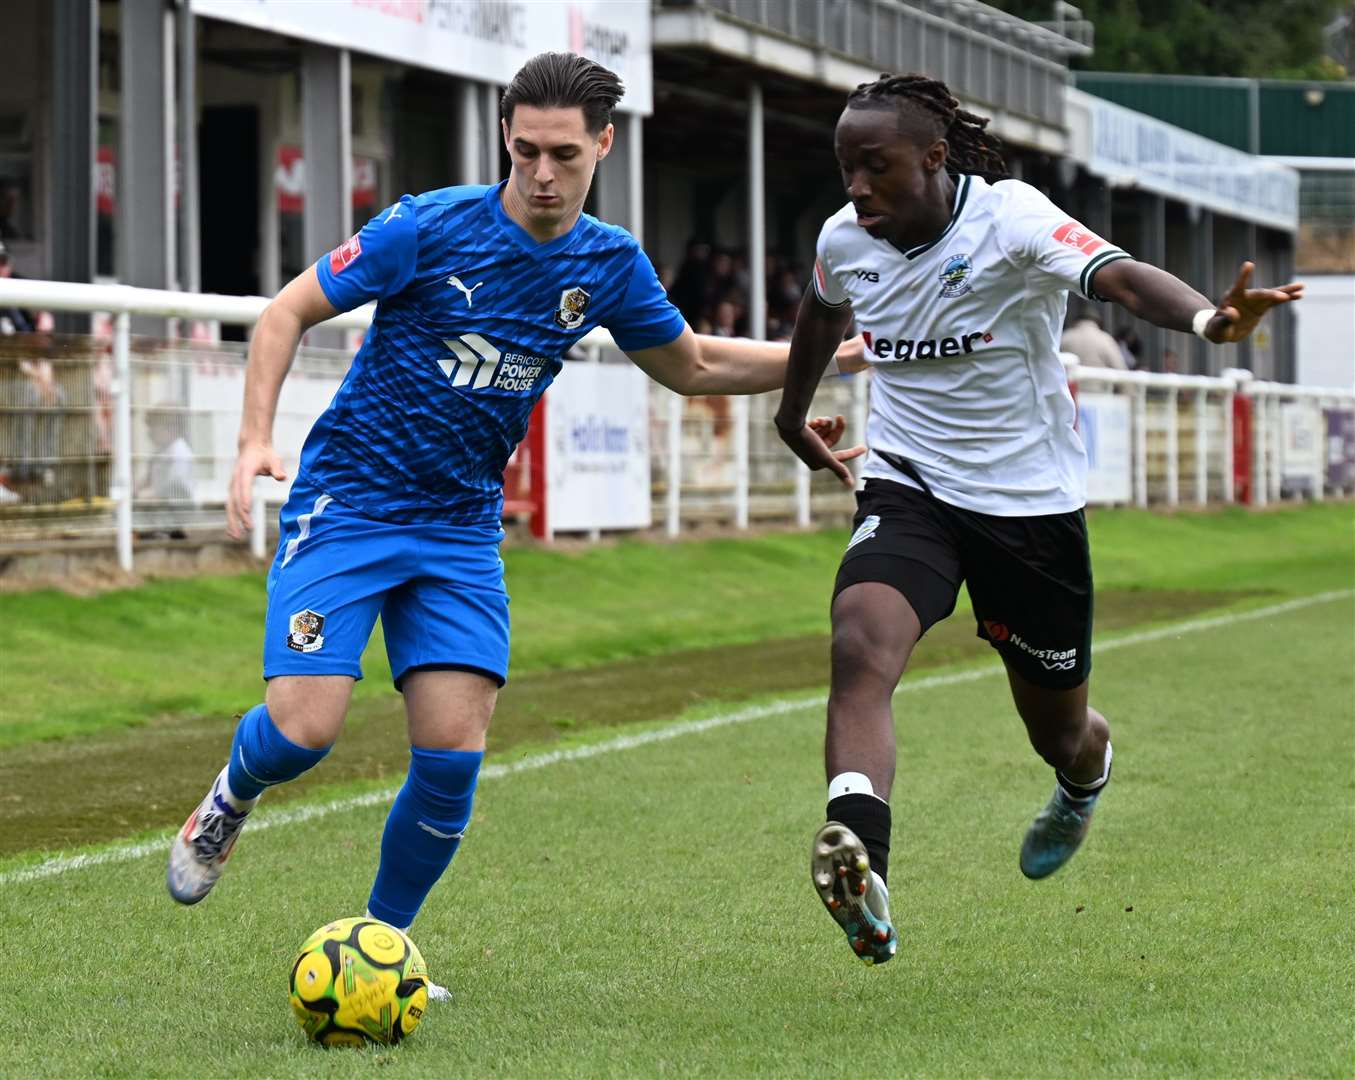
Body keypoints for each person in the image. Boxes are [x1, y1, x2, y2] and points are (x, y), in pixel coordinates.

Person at [164, 52, 863, 993]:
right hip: (350, 506)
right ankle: (229, 798)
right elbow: (289, 310)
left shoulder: (607, 262)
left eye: (564, 155)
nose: (542, 173)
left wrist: (822, 358)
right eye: (527, 149)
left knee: (451, 758)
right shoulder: (427, 226)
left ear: (603, 145)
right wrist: (254, 441)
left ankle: (381, 947)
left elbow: (692, 364)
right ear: (505, 136)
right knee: (303, 732)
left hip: (457, 531)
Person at [773, 72, 1302, 965]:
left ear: (934, 160)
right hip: (909, 487)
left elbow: (1121, 279)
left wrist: (1212, 321)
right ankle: (860, 851)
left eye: (876, 166)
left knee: (1057, 729)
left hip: (1028, 509)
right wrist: (790, 416)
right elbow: (820, 314)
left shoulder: (1011, 217)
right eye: (844, 167)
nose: (855, 187)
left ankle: (1080, 781)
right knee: (859, 642)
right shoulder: (843, 238)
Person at [1061, 310, 1127, 370]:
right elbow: (1120, 369)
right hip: (1099, 382)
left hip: (1069, 382)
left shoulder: (1065, 337)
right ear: (1098, 322)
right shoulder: (1105, 339)